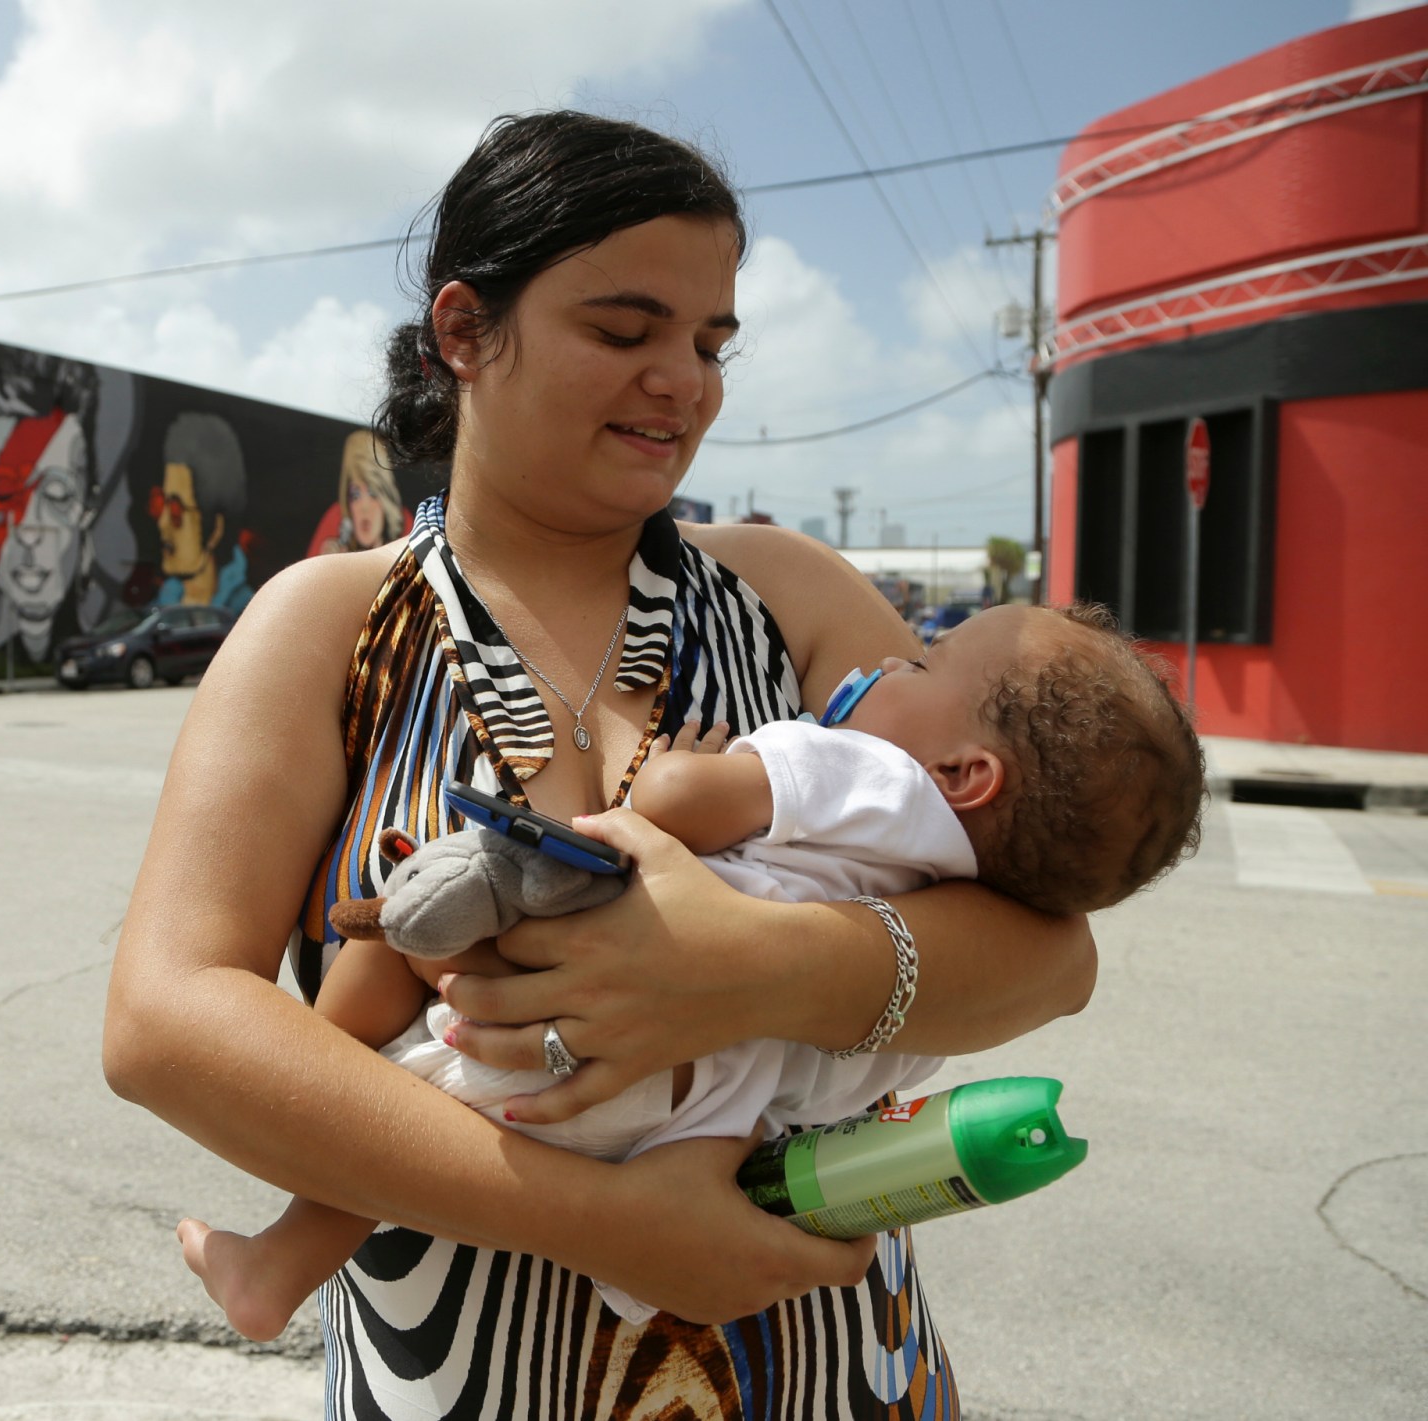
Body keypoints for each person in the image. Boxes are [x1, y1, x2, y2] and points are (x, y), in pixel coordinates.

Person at [105, 110, 1098, 1419]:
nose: (683, 380)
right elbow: (163, 1022)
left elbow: (1051, 955)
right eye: (625, 333)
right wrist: (600, 1223)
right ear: (464, 332)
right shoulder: (329, 626)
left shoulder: (790, 598)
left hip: (831, 1372)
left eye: (709, 342)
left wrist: (752, 968)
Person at [175, 599, 1205, 1337]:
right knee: (438, 1074)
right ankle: (278, 1261)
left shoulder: (864, 767)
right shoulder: (951, 875)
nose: (892, 662)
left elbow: (668, 798)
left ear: (966, 774)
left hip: (583, 1054)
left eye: (926, 662)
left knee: (409, 925)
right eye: (621, 327)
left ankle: (315, 1126)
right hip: (689, 1122)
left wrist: (712, 762)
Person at [152, 412, 254, 611]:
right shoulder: (160, 608)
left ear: (215, 529)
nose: (162, 523)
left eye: (175, 510)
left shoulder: (247, 613)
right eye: (159, 504)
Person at [312, 428, 409, 554]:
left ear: (385, 495)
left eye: (373, 493)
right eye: (355, 495)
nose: (364, 507)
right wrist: (324, 565)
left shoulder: (406, 525)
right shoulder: (335, 518)